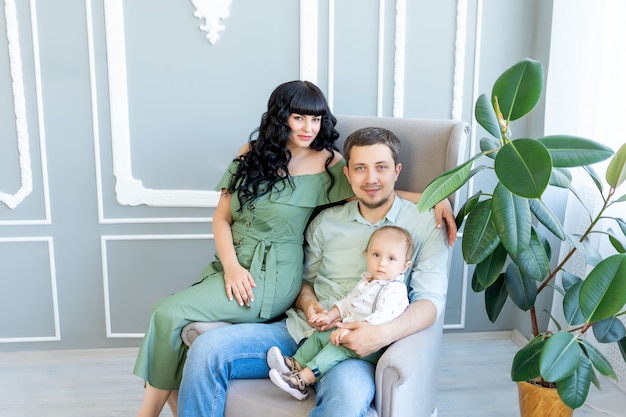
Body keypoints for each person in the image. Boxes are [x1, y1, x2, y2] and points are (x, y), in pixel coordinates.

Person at [133, 82, 455, 417]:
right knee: (205, 350)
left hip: (350, 343)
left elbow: (429, 299)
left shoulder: (422, 223)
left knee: (345, 400)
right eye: (360, 168)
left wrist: (437, 196)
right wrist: (311, 303)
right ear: (347, 173)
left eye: (381, 168)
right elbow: (298, 275)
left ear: (396, 172)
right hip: (297, 326)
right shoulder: (325, 221)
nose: (370, 178)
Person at [133, 80, 354, 417]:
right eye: (299, 118)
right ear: (281, 118)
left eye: (316, 119)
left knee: (167, 313)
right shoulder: (250, 154)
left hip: (272, 279)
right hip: (231, 267)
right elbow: (221, 218)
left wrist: (435, 201)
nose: (309, 127)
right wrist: (233, 267)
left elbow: (376, 189)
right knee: (169, 324)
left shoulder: (329, 164)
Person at [267, 225, 413, 400]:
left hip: (370, 345)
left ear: (404, 266)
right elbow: (348, 302)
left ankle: (302, 381)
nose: (382, 263)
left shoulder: (395, 290)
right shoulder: (367, 281)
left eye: (391, 258)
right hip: (346, 330)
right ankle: (295, 364)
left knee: (334, 350)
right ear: (366, 255)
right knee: (320, 336)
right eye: (376, 255)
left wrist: (351, 331)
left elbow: (382, 317)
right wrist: (329, 315)